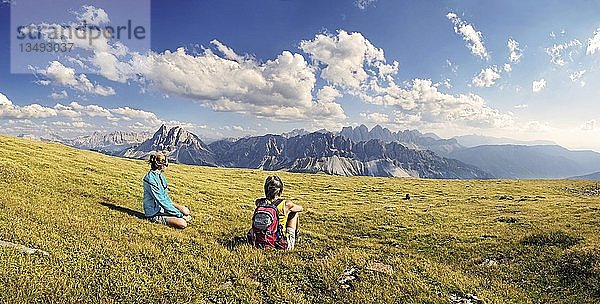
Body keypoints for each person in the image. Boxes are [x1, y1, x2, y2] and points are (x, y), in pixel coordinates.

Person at [248, 175, 303, 250]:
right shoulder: (286, 204)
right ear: (280, 190)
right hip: (279, 244)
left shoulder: (259, 202)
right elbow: (301, 208)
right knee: (295, 213)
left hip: (258, 243)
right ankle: (295, 237)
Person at [142, 151, 192, 229]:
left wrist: (176, 210)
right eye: (165, 164)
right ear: (161, 165)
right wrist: (180, 215)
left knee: (186, 210)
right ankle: (160, 219)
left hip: (162, 206)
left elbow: (165, 197)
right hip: (154, 212)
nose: (166, 166)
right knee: (182, 224)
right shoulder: (150, 180)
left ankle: (173, 215)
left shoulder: (160, 176)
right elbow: (161, 201)